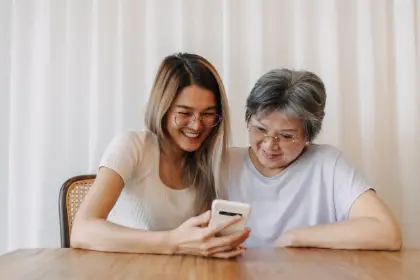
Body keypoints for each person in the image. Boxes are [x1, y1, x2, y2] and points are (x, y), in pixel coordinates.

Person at [71, 53, 250, 258]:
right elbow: (82, 231)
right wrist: (172, 241)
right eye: (184, 113)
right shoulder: (132, 147)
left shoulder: (210, 161)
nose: (197, 125)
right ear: (162, 108)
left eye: (208, 114)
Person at [228, 68, 402, 250]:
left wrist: (295, 237)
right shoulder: (225, 163)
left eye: (286, 136)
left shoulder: (327, 164)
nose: (269, 145)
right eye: (260, 130)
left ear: (308, 136)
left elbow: (387, 232)